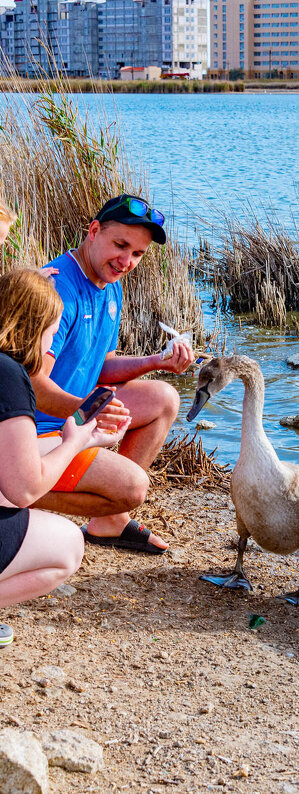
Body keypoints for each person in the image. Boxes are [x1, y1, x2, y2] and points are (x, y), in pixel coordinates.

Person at [31, 194, 195, 554]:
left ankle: (110, 522)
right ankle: (12, 492)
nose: (126, 262)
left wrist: (157, 361)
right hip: (34, 429)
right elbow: (32, 385)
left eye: (137, 254)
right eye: (120, 245)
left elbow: (100, 366)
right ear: (94, 231)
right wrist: (87, 409)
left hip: (74, 414)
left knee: (164, 398)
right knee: (132, 488)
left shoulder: (111, 286)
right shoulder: (58, 290)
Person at [0, 270, 131, 645]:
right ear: (33, 328)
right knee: (69, 546)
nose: (49, 346)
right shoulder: (10, 377)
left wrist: (89, 439)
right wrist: (74, 443)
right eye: (51, 332)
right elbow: (24, 489)